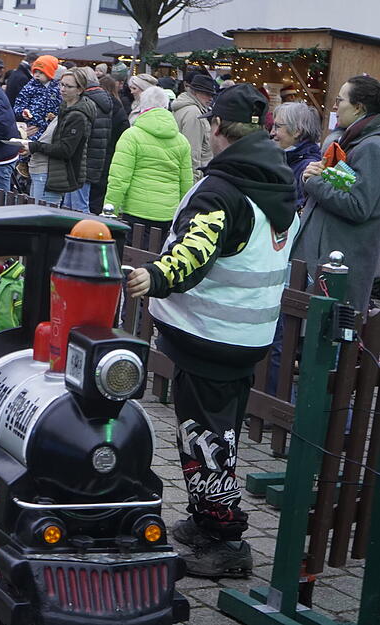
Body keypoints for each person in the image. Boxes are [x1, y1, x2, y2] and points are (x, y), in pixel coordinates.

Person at [126, 84, 299, 578]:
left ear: (216, 127)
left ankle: (225, 539)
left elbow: (195, 251)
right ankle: (206, 521)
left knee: (207, 440)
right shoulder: (275, 182)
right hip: (244, 336)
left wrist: (154, 277)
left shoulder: (223, 189)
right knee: (213, 434)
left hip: (210, 336)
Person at [293, 75, 380, 313]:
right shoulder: (355, 141)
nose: (334, 106)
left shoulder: (372, 147)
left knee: (324, 345)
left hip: (339, 271)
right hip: (327, 265)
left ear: (358, 107)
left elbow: (359, 206)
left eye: (340, 100)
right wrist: (316, 175)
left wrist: (314, 182)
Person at [105, 86, 193, 245]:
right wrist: (183, 214)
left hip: (136, 210)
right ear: (166, 106)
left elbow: (119, 178)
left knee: (131, 258)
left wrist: (110, 209)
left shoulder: (132, 135)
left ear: (141, 106)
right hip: (168, 213)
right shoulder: (182, 141)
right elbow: (186, 183)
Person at [26, 67, 95, 210]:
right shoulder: (66, 108)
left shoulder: (77, 115)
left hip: (53, 174)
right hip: (47, 171)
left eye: (68, 86)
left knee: (41, 217)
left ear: (79, 90)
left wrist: (34, 146)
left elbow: (65, 150)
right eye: (61, 84)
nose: (63, 89)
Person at [79, 66, 128, 214]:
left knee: (80, 205)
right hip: (107, 158)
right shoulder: (116, 105)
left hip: (87, 160)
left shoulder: (85, 103)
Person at [270, 102, 322, 210]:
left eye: (277, 126)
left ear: (297, 131)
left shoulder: (308, 167)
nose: (272, 132)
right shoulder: (289, 158)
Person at [172, 74, 216, 181]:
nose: (210, 98)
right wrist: (194, 180)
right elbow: (193, 152)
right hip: (196, 174)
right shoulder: (194, 113)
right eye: (207, 94)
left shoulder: (184, 107)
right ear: (195, 92)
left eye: (211, 95)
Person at [13, 55, 62, 141]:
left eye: (41, 72)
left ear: (49, 73)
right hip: (32, 129)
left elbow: (60, 106)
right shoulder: (29, 88)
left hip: (51, 130)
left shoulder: (57, 89)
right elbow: (18, 106)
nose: (37, 75)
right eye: (35, 72)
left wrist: (55, 117)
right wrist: (23, 113)